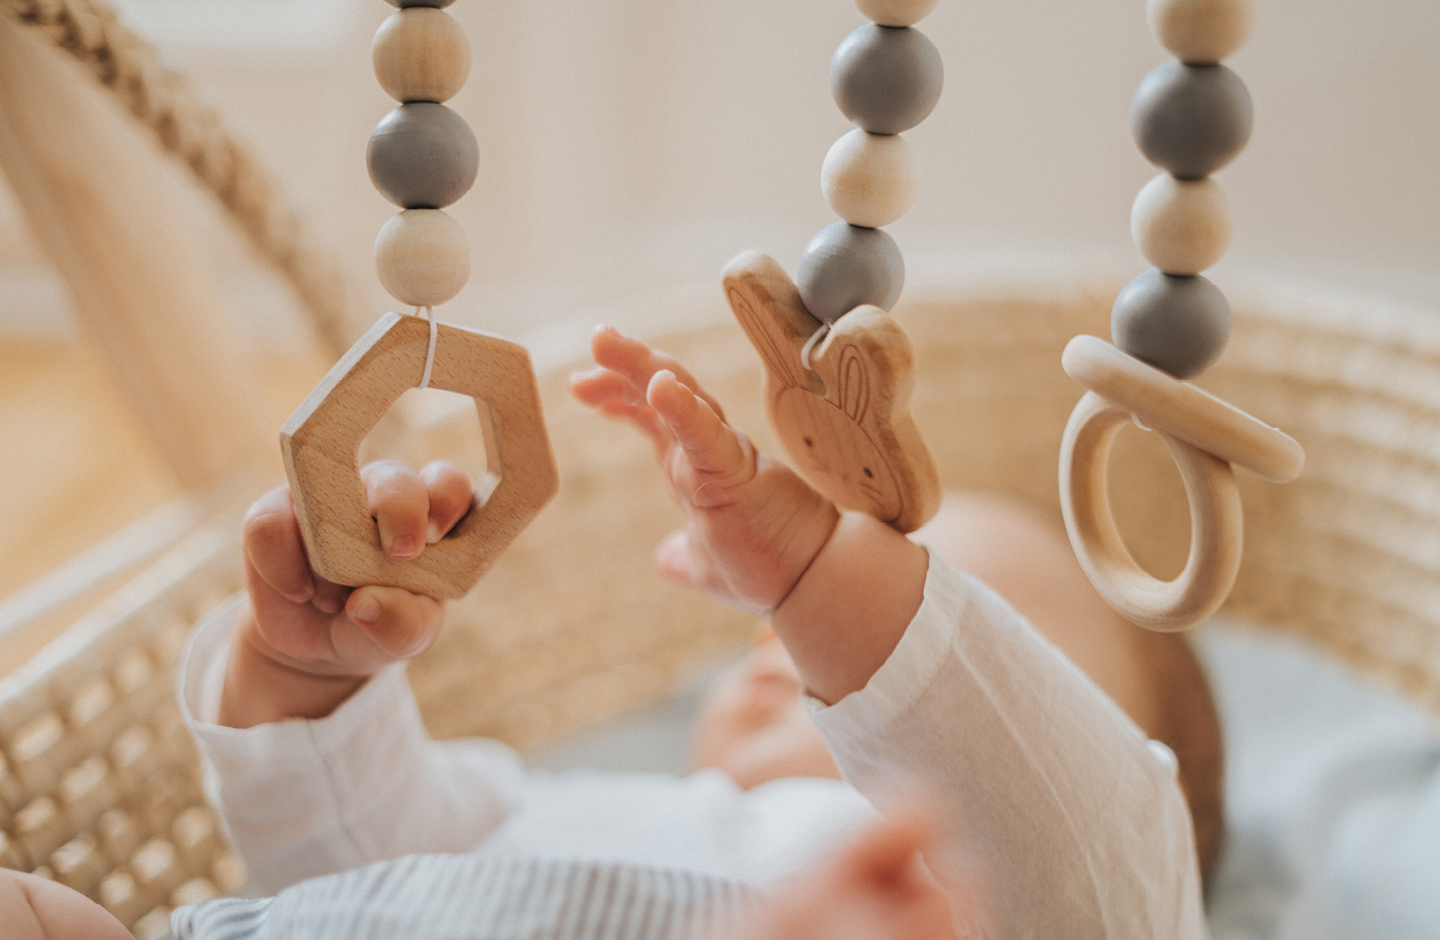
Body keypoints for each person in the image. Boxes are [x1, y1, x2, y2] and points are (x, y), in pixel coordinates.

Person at [0, 326, 1214, 939]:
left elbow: (1084, 832)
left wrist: (821, 572)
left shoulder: (1034, 893)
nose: (791, 645)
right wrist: (311, 682)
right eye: (800, 634)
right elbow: (353, 861)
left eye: (934, 621)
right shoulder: (570, 815)